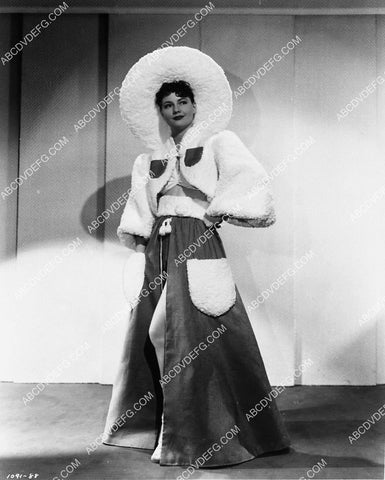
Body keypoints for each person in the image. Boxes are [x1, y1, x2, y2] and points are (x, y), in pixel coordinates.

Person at [102, 46, 291, 467]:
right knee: (153, 334)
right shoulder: (149, 157)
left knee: (199, 334)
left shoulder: (219, 142)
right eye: (167, 105)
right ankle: (165, 425)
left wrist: (215, 211)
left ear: (193, 104)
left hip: (196, 240)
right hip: (160, 245)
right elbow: (140, 208)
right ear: (161, 112)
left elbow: (250, 181)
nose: (175, 110)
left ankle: (207, 432)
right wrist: (141, 245)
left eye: (181, 102)